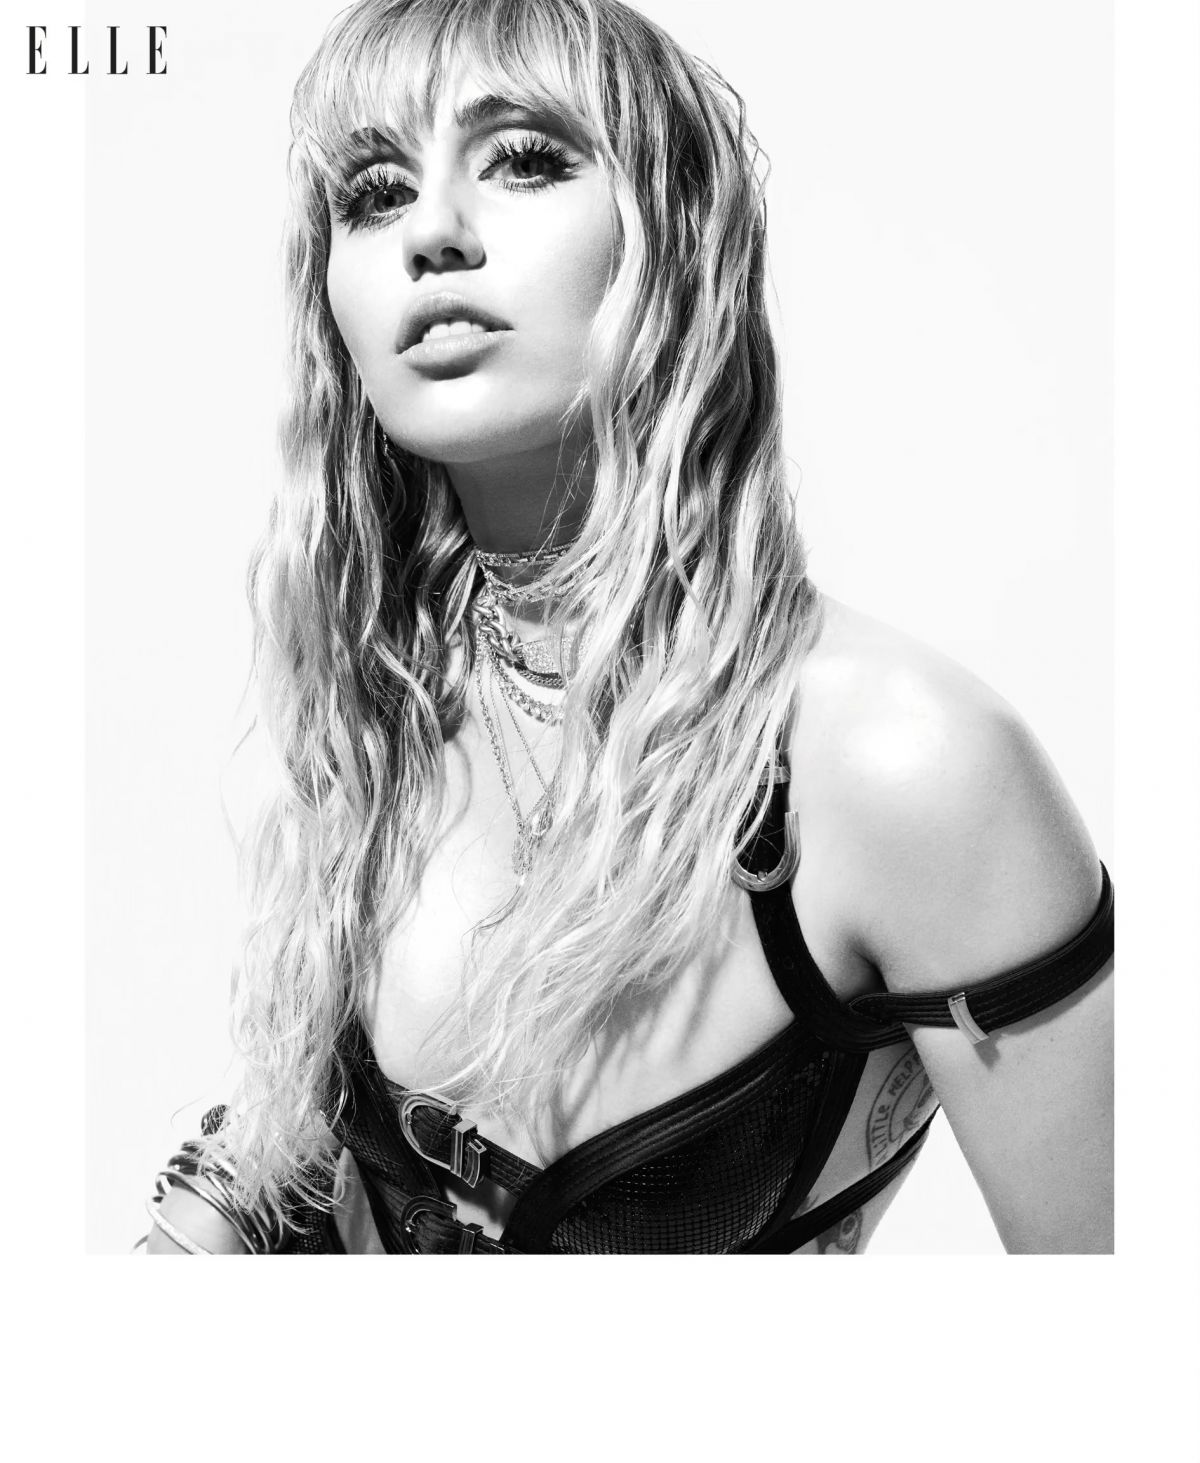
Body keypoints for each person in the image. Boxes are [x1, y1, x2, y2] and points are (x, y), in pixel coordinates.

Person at [143, 0, 1113, 1256]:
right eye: (375, 193)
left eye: (524, 159)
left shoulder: (899, 761)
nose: (431, 231)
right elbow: (292, 1153)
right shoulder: (385, 695)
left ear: (676, 235)